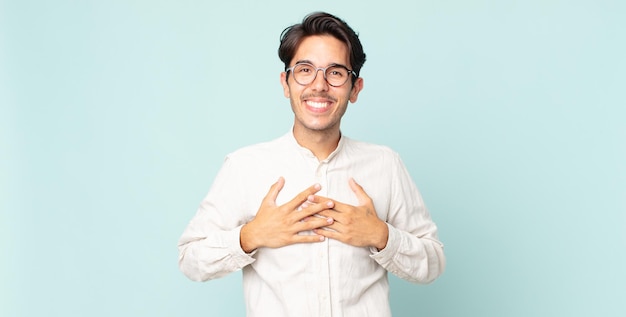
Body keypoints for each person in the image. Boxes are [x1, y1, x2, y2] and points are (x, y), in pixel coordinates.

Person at [178, 12, 445, 317]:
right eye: (305, 70)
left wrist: (381, 236)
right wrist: (250, 236)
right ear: (286, 83)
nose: (319, 85)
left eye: (335, 72)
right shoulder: (244, 167)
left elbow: (433, 262)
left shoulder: (385, 165)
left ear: (354, 88)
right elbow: (190, 257)